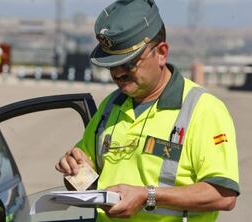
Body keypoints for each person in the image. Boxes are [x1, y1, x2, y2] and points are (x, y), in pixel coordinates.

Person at [55, 0, 239, 221]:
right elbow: (87, 183)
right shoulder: (111, 106)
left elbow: (224, 195)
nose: (118, 73)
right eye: (111, 65)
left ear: (161, 53)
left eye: (128, 63)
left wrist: (147, 196)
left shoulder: (203, 109)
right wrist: (74, 171)